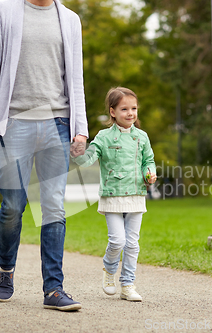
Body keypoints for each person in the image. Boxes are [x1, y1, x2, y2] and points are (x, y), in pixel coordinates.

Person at [0, 0, 88, 311]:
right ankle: (6, 267)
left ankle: (54, 289)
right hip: (14, 122)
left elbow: (75, 77)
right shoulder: (4, 13)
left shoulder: (70, 19)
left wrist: (81, 128)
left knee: (54, 205)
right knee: (13, 205)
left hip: (58, 123)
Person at [71, 87, 156, 302]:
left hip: (136, 194)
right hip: (112, 195)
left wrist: (150, 173)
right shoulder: (104, 137)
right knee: (118, 241)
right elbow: (88, 158)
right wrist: (78, 151)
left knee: (132, 243)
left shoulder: (142, 137)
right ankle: (109, 270)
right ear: (112, 112)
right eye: (124, 108)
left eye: (134, 108)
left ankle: (128, 284)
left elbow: (149, 161)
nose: (130, 113)